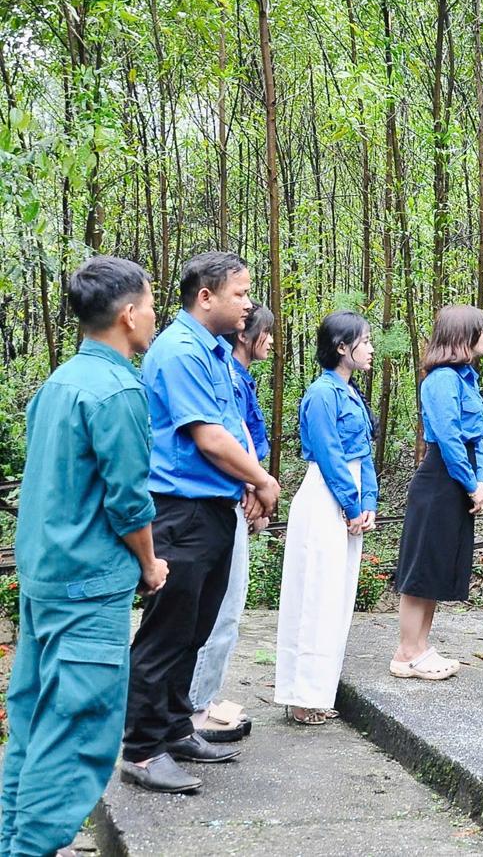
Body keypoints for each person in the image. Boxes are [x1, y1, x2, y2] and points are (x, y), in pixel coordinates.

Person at [0, 257, 169, 855]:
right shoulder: (118, 390)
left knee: (32, 727)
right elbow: (128, 504)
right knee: (74, 737)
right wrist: (150, 566)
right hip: (87, 591)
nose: (154, 315)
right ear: (128, 315)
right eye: (149, 305)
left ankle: (12, 841)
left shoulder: (61, 382)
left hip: (44, 581)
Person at [121, 251, 281, 794]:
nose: (249, 303)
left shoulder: (214, 352)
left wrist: (244, 483)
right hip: (179, 511)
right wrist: (263, 481)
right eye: (240, 293)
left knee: (194, 631)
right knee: (166, 633)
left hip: (211, 509)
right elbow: (209, 437)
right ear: (205, 297)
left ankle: (174, 729)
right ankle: (141, 750)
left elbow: (232, 427)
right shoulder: (181, 349)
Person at [275, 311, 377, 725]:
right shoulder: (321, 394)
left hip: (349, 498)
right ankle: (302, 696)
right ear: (341, 347)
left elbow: (363, 452)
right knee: (315, 593)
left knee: (337, 596)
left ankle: (321, 690)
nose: (371, 349)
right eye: (365, 341)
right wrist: (352, 506)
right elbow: (331, 455)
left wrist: (367, 501)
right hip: (325, 499)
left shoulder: (351, 393)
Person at [188, 302, 275, 743]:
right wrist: (253, 485)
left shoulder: (241, 379)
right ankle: (196, 705)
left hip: (242, 492)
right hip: (229, 497)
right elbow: (226, 439)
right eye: (266, 333)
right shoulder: (224, 375)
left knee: (225, 610)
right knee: (221, 610)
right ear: (245, 335)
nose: (272, 341)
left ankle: (201, 697)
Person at [391, 306, 483, 679]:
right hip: (438, 480)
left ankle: (421, 647)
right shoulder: (442, 380)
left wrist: (479, 481)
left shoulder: (467, 379)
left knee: (436, 568)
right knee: (422, 567)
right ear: (463, 337)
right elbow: (449, 438)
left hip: (458, 480)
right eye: (482, 331)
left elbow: (476, 437)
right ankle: (407, 652)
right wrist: (469, 482)